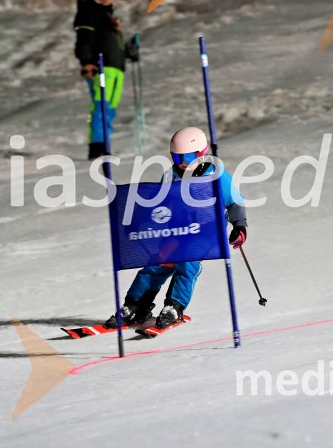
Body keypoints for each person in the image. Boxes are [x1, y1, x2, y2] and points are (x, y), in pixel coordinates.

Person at [105, 127, 249, 329]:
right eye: (176, 156)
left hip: (205, 232)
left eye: (187, 156)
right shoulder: (170, 177)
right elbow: (158, 204)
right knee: (158, 263)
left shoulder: (217, 177)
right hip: (178, 231)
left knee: (187, 262)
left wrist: (239, 226)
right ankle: (136, 305)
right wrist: (138, 220)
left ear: (201, 153)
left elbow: (235, 202)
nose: (181, 161)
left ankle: (174, 306)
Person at [73, 0, 126, 160]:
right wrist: (86, 61)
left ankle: (105, 143)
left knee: (109, 107)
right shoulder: (90, 11)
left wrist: (127, 50)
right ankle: (97, 147)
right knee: (100, 105)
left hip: (116, 67)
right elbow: (84, 38)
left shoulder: (108, 16)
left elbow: (109, 42)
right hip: (101, 66)